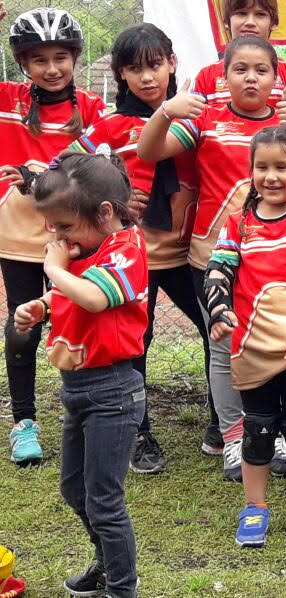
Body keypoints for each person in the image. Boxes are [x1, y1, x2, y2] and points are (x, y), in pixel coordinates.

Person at [138, 35, 286, 481]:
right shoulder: (206, 120)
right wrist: (165, 111)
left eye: (261, 70)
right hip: (215, 254)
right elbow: (148, 152)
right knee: (225, 343)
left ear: (276, 76)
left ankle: (281, 431)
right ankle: (235, 435)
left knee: (283, 336)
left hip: (285, 258)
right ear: (223, 76)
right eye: (240, 69)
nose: (250, 78)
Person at [68, 24, 209, 474]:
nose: (147, 78)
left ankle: (223, 422)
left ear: (172, 64)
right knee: (134, 345)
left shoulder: (193, 118)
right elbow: (65, 167)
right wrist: (113, 191)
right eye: (134, 69)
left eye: (155, 65)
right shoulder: (111, 126)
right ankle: (138, 433)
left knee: (216, 333)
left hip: (188, 253)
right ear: (121, 75)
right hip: (134, 259)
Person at [14, 153, 148, 597]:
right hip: (78, 390)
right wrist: (43, 305)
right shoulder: (87, 248)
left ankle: (122, 587)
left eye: (66, 226)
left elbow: (94, 296)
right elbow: (73, 292)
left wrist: (51, 271)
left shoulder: (128, 249)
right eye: (52, 227)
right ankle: (107, 563)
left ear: (105, 212)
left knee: (105, 501)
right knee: (75, 491)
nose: (58, 237)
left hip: (114, 391)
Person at [204, 125, 286, 547]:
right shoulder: (238, 220)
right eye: (262, 166)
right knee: (257, 430)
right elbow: (219, 269)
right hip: (253, 347)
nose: (271, 176)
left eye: (283, 167)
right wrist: (219, 308)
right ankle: (254, 508)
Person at [0, 8, 106, 467]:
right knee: (24, 324)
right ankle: (24, 421)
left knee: (77, 318)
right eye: (38, 58)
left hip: (76, 233)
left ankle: (82, 412)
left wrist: (42, 175)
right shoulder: (8, 99)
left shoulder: (94, 107)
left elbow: (100, 165)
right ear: (23, 63)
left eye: (61, 56)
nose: (51, 68)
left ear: (76, 58)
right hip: (19, 233)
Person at [191, 0, 286, 106]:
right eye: (241, 13)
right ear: (226, 22)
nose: (250, 22)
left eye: (260, 14)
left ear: (273, 23)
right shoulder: (206, 76)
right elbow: (192, 123)